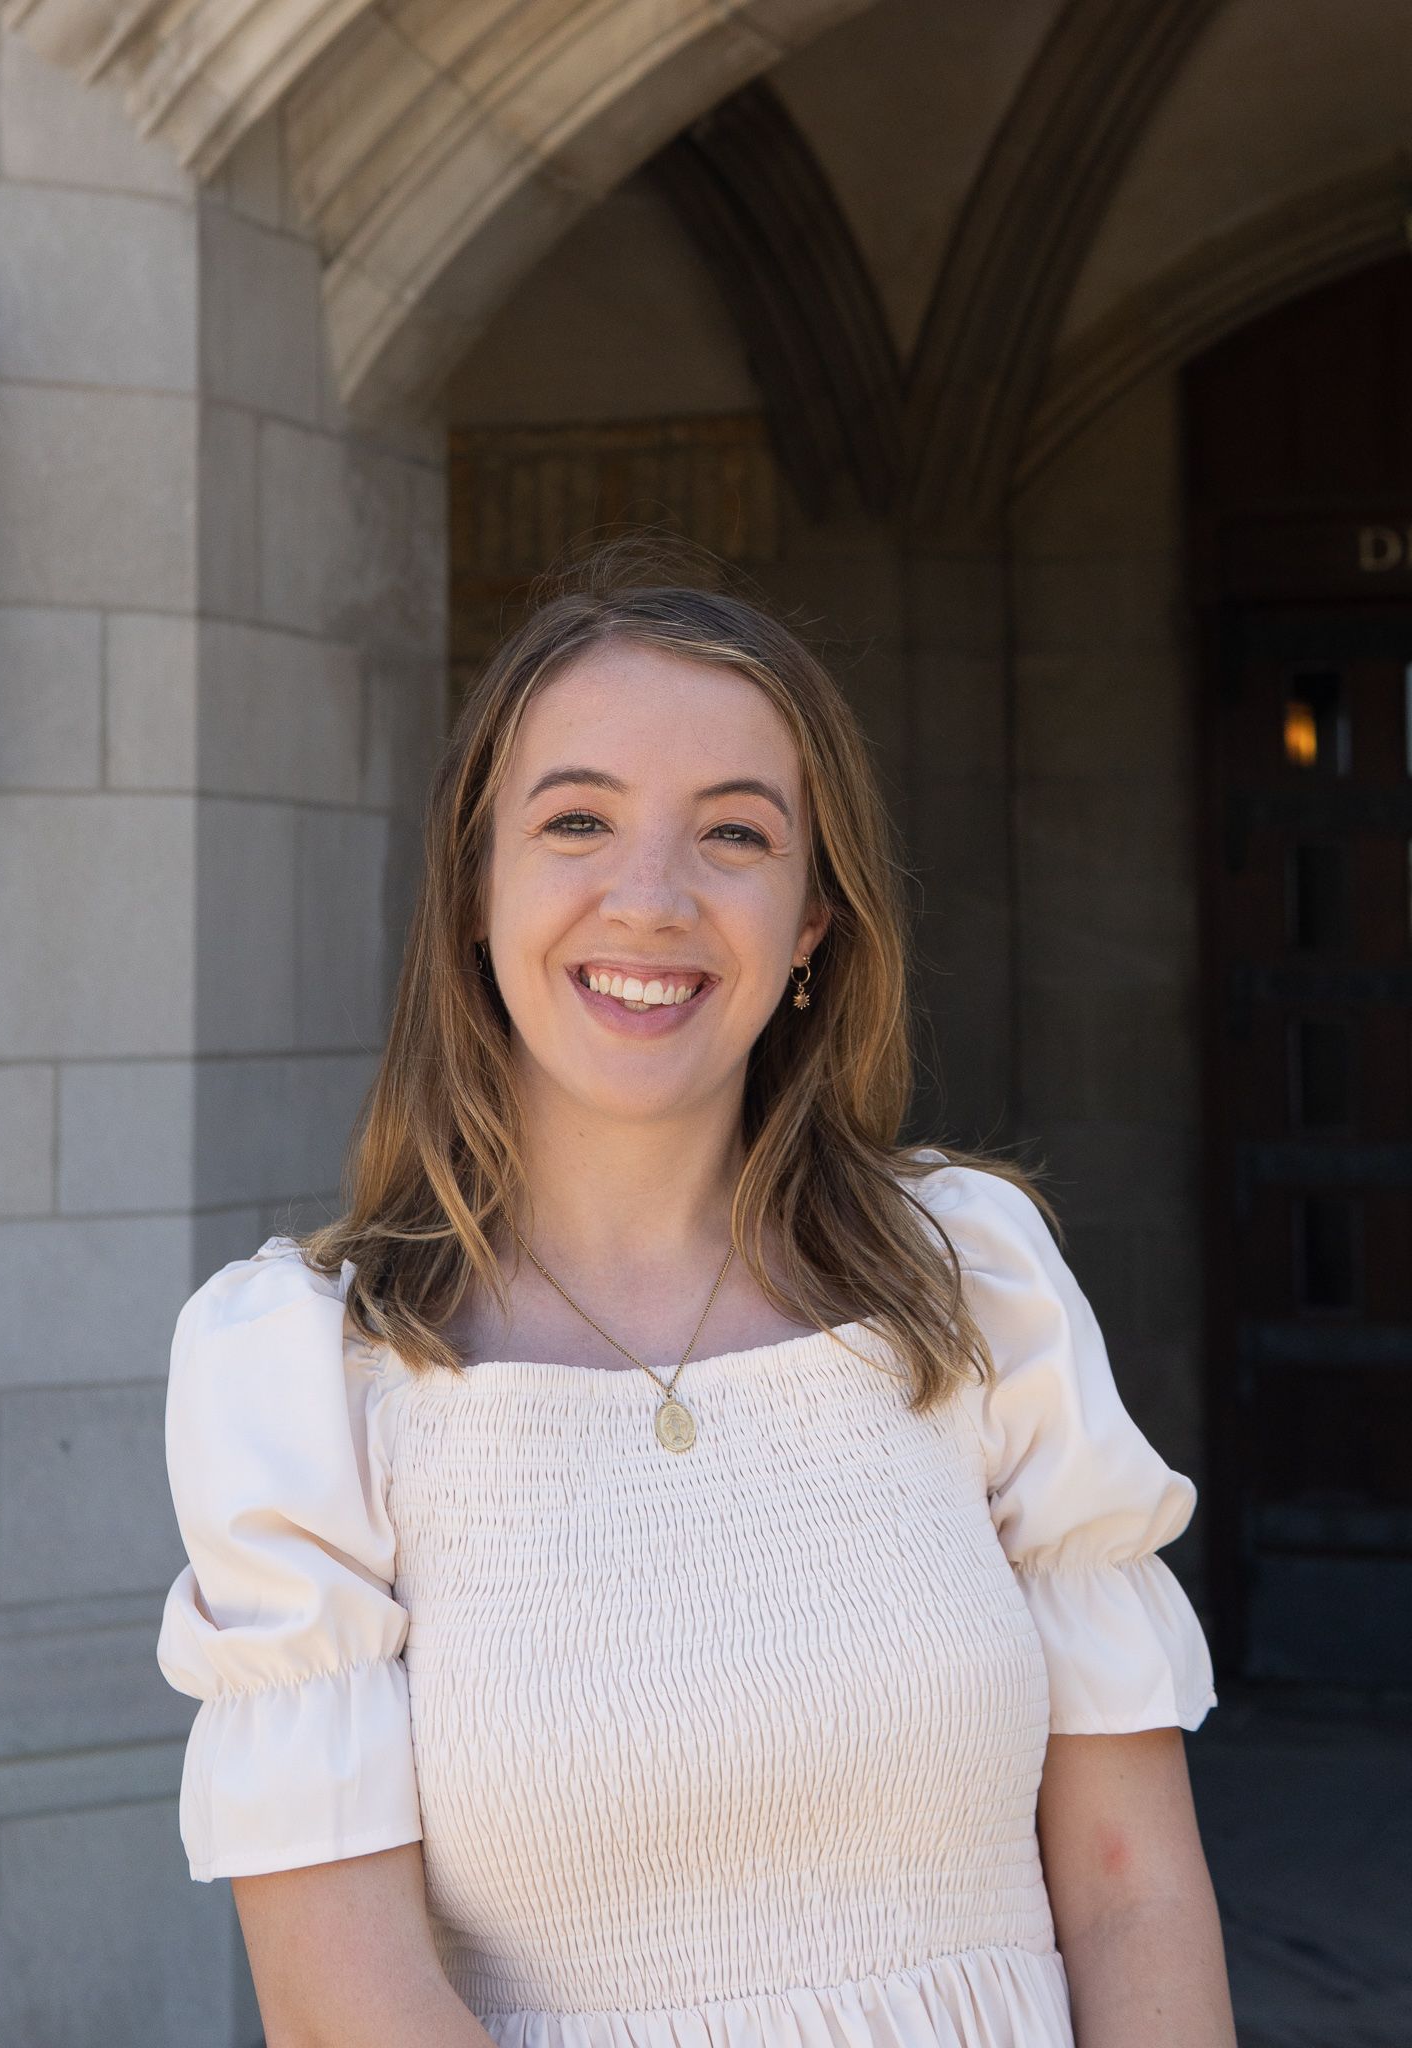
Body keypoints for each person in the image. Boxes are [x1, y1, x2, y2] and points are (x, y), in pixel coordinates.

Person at [156, 547, 1236, 2048]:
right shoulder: (307, 1378)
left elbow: (1132, 1887)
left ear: (811, 925)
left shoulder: (973, 1284)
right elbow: (352, 2003)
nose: (649, 898)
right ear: (477, 889)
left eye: (734, 835)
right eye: (579, 821)